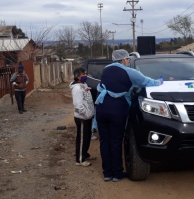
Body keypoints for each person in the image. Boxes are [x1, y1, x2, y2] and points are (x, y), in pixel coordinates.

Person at [95, 49, 163, 182]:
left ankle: (107, 173)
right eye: (127, 60)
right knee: (115, 141)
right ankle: (117, 174)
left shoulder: (106, 69)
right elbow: (146, 82)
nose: (127, 62)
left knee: (104, 141)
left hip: (102, 108)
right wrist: (160, 82)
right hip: (116, 110)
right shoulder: (129, 71)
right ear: (124, 59)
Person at [69, 67, 96, 167]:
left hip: (88, 116)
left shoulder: (84, 85)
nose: (85, 76)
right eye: (83, 74)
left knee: (87, 137)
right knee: (82, 139)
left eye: (86, 74)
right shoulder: (76, 88)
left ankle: (85, 154)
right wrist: (85, 114)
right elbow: (78, 104)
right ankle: (80, 159)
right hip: (82, 118)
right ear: (77, 76)